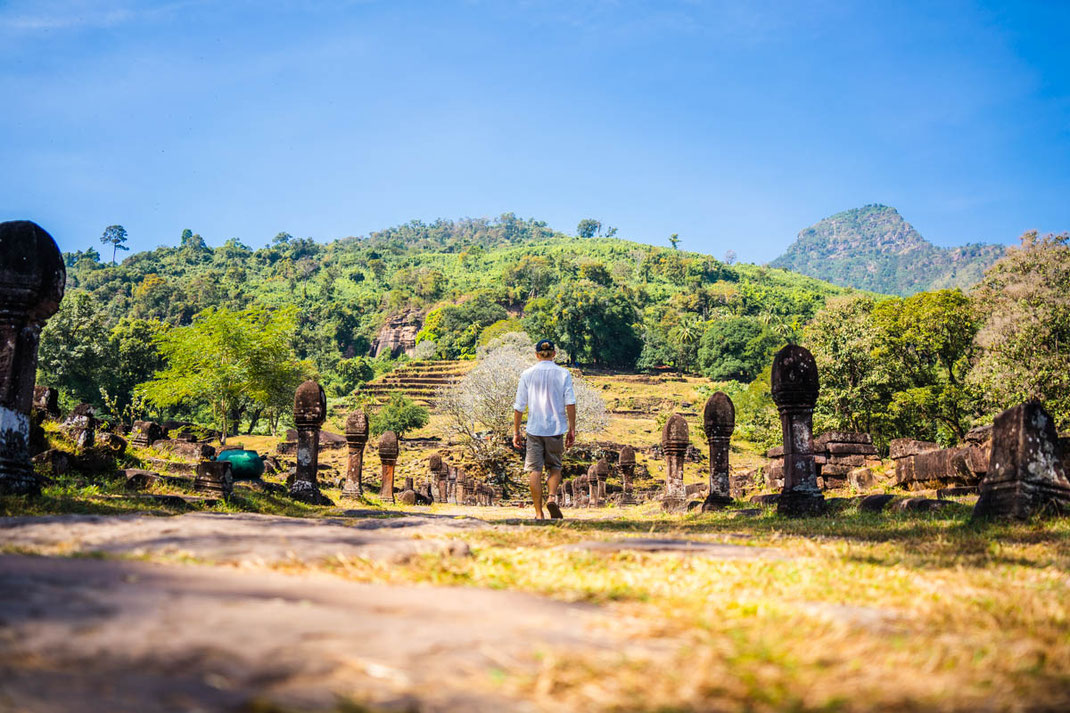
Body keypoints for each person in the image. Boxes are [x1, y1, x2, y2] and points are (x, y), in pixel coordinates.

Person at [513, 339, 576, 519]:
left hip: (534, 429)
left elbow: (519, 406)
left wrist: (516, 432)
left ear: (537, 355)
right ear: (554, 354)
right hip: (556, 428)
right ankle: (551, 497)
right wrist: (572, 429)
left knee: (535, 470)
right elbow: (570, 403)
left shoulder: (527, 374)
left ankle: (539, 513)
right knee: (555, 467)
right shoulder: (564, 374)